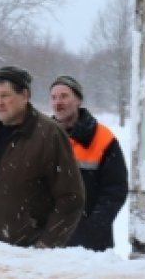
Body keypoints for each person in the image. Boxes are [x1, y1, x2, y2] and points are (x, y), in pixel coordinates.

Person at [0, 66, 85, 248]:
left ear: (24, 95)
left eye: (5, 95)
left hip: (31, 251)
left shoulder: (49, 134)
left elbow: (71, 197)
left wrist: (46, 244)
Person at [49, 75, 129, 251]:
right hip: (48, 240)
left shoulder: (103, 138)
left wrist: (92, 228)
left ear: (78, 100)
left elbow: (116, 189)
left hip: (91, 246)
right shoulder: (42, 136)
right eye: (54, 97)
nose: (58, 102)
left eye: (64, 96)